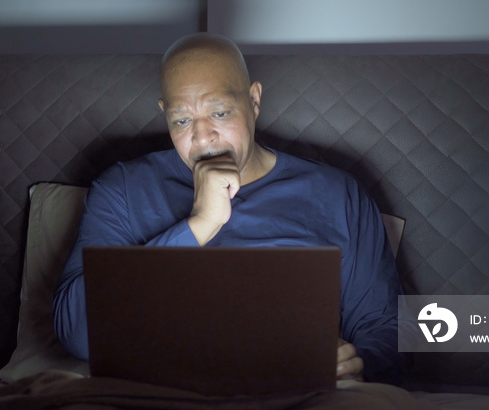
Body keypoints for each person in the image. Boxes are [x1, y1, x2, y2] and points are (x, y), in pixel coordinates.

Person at [53, 32, 407, 385]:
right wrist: (198, 225)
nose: (203, 138)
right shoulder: (123, 190)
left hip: (293, 393)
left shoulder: (337, 194)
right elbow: (77, 334)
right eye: (181, 120)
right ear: (164, 112)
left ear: (254, 100)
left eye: (219, 113)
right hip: (166, 393)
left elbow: (385, 326)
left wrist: (357, 362)